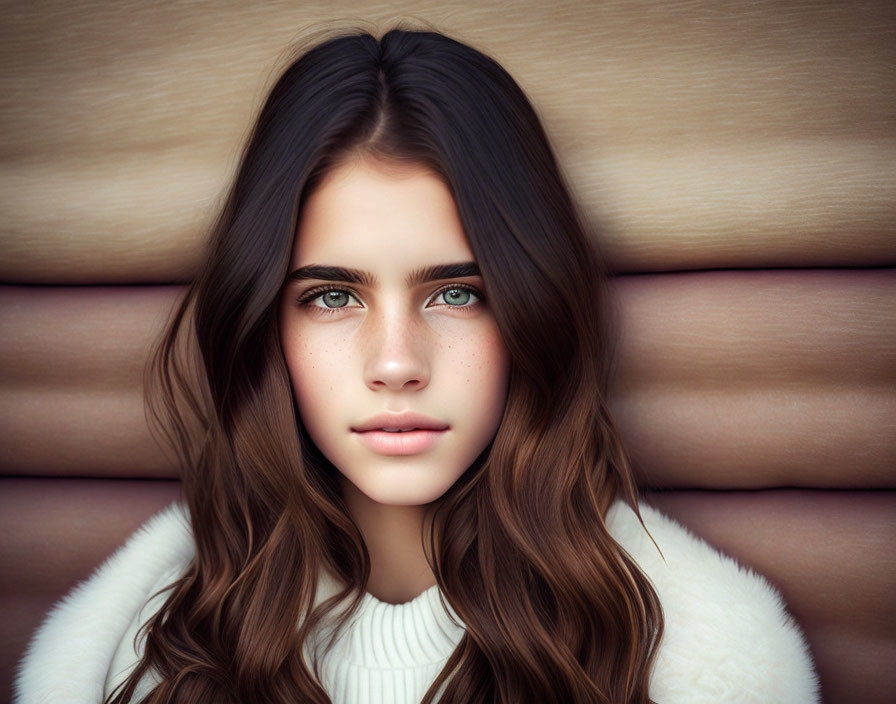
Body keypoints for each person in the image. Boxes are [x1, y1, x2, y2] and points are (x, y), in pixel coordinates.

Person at [14, 24, 820, 704]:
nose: (397, 362)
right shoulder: (141, 652)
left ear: (536, 308)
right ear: (261, 324)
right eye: (333, 297)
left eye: (458, 294)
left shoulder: (698, 662)